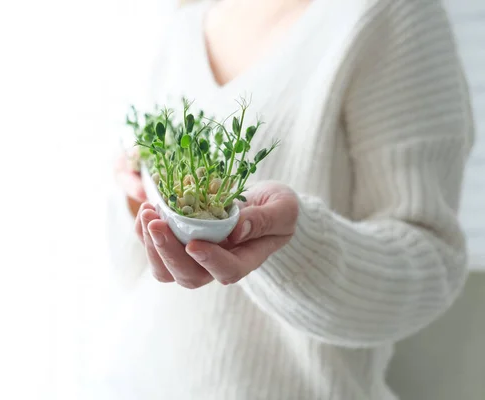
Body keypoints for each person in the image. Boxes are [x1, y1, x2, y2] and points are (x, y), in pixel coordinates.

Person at [103, 0, 475, 398]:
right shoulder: (183, 20)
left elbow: (432, 260)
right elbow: (129, 271)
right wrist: (135, 193)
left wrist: (291, 245)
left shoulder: (391, 12)